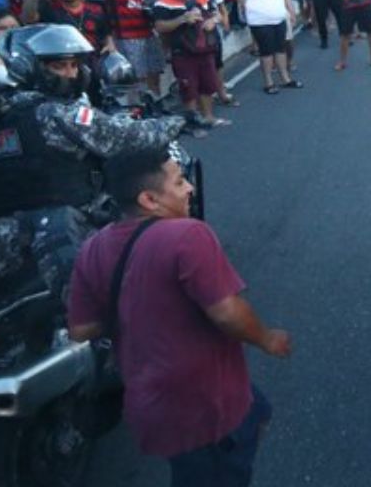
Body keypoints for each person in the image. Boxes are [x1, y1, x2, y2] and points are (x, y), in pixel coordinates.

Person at [68, 146, 291, 486]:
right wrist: (267, 338)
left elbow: (81, 329)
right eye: (179, 182)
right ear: (149, 199)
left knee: (256, 412)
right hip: (205, 405)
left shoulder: (91, 248)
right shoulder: (187, 234)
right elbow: (227, 313)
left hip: (151, 401)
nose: (190, 188)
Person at [0, 24, 184, 220]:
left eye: (74, 65)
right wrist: (178, 121)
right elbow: (126, 138)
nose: (72, 74)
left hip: (3, 228)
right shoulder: (55, 113)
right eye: (59, 66)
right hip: (68, 226)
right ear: (28, 68)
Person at [153, 0, 229, 131]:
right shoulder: (164, 2)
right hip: (183, 52)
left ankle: (209, 117)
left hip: (206, 49)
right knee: (189, 88)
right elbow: (159, 27)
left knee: (208, 85)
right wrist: (182, 19)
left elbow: (217, 14)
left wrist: (213, 21)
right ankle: (193, 123)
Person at [236, 0, 300, 94]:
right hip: (260, 21)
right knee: (266, 52)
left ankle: (285, 78)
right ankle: (268, 83)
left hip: (278, 18)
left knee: (281, 49)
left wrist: (289, 11)